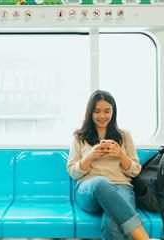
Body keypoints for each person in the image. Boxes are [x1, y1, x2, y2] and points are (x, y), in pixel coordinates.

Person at [66, 90, 149, 240]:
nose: (102, 116)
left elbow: (135, 171)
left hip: (121, 187)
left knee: (113, 225)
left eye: (107, 111)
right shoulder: (79, 137)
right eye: (97, 111)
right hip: (88, 191)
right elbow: (73, 172)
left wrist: (121, 155)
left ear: (113, 112)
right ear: (90, 113)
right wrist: (90, 156)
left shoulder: (124, 136)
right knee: (101, 182)